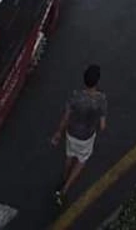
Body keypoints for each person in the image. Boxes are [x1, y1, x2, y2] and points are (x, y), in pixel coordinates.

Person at [50, 64, 107, 207]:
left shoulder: (75, 96)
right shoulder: (101, 100)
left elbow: (66, 116)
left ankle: (64, 177)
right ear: (97, 81)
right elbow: (102, 126)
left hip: (71, 132)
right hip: (86, 137)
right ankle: (64, 190)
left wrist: (58, 132)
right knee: (81, 160)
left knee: (69, 154)